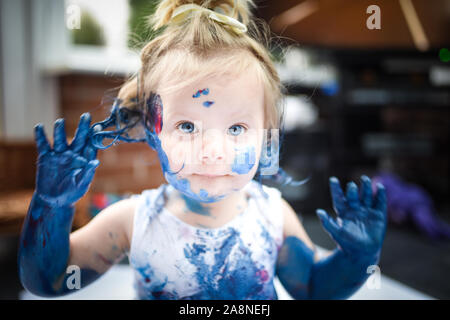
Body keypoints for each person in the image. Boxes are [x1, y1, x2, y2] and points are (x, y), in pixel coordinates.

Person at [18, 0, 387, 300]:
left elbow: (314, 290)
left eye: (237, 128)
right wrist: (51, 206)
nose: (212, 151)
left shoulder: (273, 217)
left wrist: (357, 258)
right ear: (152, 130)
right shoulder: (133, 221)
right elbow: (49, 282)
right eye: (188, 126)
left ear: (267, 138)